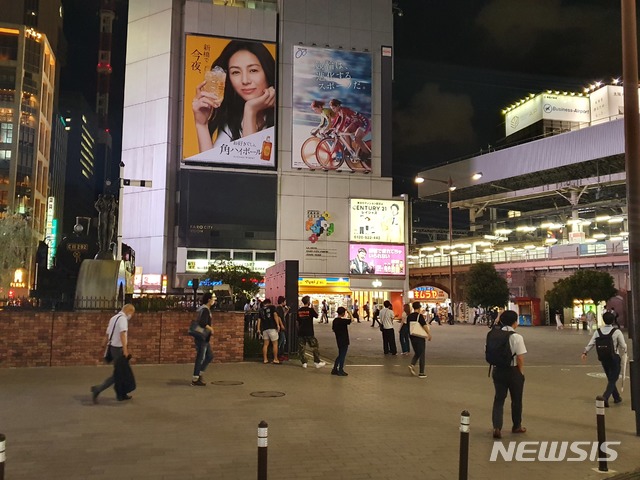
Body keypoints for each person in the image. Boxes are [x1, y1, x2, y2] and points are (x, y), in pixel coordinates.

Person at [192, 41, 276, 153]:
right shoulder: (232, 121)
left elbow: (251, 163)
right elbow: (210, 167)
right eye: (236, 72)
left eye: (253, 70)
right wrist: (201, 125)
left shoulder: (283, 119)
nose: (245, 80)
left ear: (268, 71)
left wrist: (250, 110)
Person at [491, 310, 527, 439]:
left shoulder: (493, 335)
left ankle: (497, 427)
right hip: (513, 371)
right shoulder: (517, 337)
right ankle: (516, 426)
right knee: (516, 400)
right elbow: (520, 358)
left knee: (499, 399)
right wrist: (521, 372)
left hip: (497, 370)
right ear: (515, 322)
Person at [91, 304, 136, 402]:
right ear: (129, 311)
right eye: (132, 313)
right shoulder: (123, 319)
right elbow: (122, 334)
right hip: (118, 349)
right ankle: (98, 389)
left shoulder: (113, 318)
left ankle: (121, 394)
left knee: (121, 372)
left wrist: (103, 344)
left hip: (112, 347)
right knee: (119, 373)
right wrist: (125, 350)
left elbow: (108, 333)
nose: (131, 316)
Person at [581, 312, 627, 407]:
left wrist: (585, 352)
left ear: (603, 320)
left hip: (603, 358)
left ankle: (617, 397)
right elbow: (623, 346)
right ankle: (605, 397)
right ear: (613, 320)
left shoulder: (598, 331)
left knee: (611, 378)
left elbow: (591, 343)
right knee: (613, 379)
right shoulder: (617, 332)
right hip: (614, 358)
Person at [190, 292, 215, 386]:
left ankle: (199, 374)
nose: (214, 300)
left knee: (209, 356)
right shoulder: (205, 309)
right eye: (213, 298)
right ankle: (195, 378)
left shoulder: (204, 309)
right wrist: (210, 328)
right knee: (201, 357)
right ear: (209, 299)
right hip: (202, 337)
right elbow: (202, 323)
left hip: (204, 338)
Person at [297, 295, 326, 369]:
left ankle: (304, 362)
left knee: (302, 348)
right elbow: (316, 316)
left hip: (301, 331)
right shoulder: (310, 310)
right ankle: (317, 362)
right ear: (308, 302)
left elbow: (297, 321)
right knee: (315, 346)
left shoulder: (299, 310)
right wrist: (313, 308)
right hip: (309, 331)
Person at [407, 301, 431, 378]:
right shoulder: (419, 316)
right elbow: (424, 325)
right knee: (422, 354)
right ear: (419, 308)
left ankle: (412, 364)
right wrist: (428, 334)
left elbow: (408, 326)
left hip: (412, 336)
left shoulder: (409, 316)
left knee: (417, 352)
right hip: (419, 337)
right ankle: (421, 372)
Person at [257, 298, 284, 364]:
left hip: (265, 329)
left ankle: (265, 359)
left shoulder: (261, 310)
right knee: (275, 344)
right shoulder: (272, 307)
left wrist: (258, 329)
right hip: (272, 328)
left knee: (265, 344)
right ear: (269, 302)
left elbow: (259, 320)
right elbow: (275, 315)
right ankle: (275, 359)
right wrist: (278, 325)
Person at [331, 306, 352, 376]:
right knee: (342, 355)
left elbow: (333, 330)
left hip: (338, 340)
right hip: (344, 340)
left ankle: (334, 369)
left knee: (340, 355)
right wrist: (349, 312)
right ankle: (340, 369)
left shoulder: (335, 321)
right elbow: (352, 320)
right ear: (343, 313)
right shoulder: (343, 321)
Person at [275, 296, 290, 362]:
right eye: (285, 301)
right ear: (282, 302)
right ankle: (279, 354)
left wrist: (286, 311)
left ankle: (280, 354)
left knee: (282, 340)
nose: (285, 303)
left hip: (281, 326)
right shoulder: (279, 308)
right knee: (282, 340)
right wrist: (281, 325)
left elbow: (282, 316)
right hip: (281, 327)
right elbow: (279, 317)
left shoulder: (280, 308)